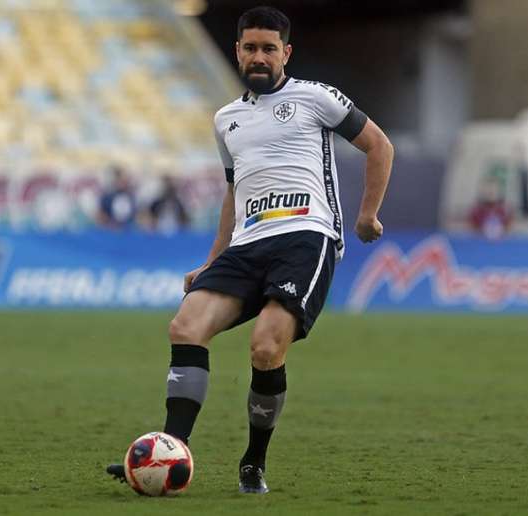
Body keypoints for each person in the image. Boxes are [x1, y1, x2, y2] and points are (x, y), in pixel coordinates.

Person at [107, 6, 393, 494]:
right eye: (249, 48)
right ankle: (170, 450)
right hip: (247, 243)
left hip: (306, 237)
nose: (258, 56)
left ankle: (253, 462)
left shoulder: (315, 97)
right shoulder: (226, 120)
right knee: (186, 325)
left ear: (286, 52)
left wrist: (367, 214)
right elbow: (232, 192)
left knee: (265, 348)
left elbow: (378, 145)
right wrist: (213, 259)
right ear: (237, 51)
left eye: (268, 48)